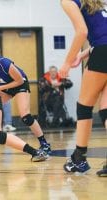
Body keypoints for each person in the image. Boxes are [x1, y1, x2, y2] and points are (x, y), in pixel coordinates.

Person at [59, 0, 107, 175]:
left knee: (84, 107)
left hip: (102, 52)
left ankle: (79, 158)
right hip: (101, 48)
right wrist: (83, 53)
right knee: (105, 109)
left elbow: (82, 32)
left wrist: (66, 62)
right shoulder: (96, 1)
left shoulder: (68, 1)